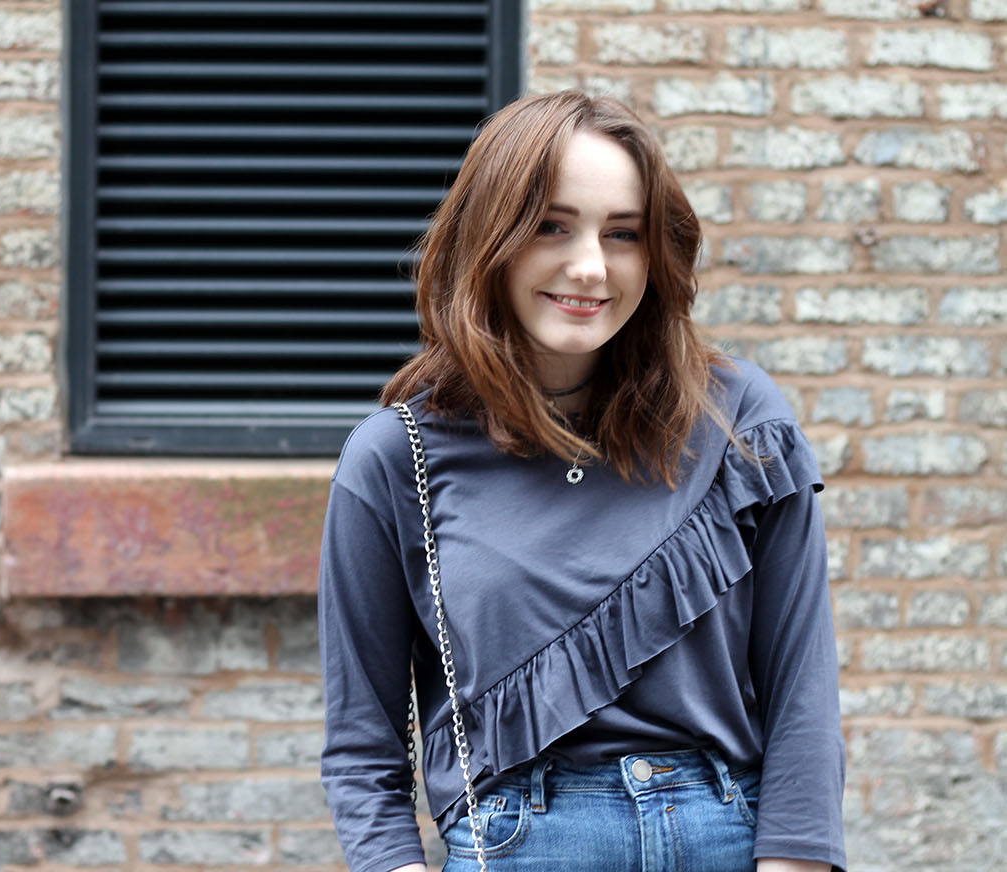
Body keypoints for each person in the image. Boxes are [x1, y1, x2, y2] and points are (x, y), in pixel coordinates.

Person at [318, 90, 846, 872]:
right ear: (489, 237)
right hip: (519, 845)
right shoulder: (398, 458)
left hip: (727, 838)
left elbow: (803, 691)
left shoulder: (739, 421)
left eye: (623, 233)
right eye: (551, 226)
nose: (591, 266)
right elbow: (363, 746)